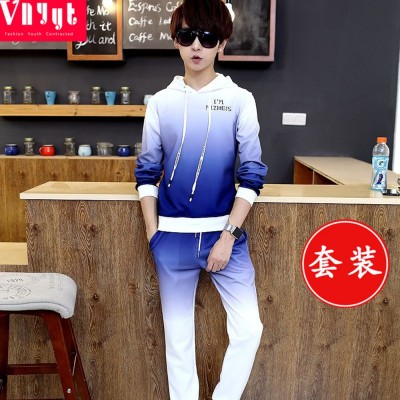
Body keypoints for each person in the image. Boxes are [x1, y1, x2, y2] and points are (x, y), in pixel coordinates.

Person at [134, 0, 268, 398]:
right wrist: (154, 235)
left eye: (207, 37)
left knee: (250, 328)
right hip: (171, 239)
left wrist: (228, 236)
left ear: (221, 43)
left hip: (224, 235)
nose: (197, 45)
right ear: (176, 40)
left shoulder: (239, 99)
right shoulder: (161, 102)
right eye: (187, 35)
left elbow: (252, 174)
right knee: (178, 340)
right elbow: (147, 173)